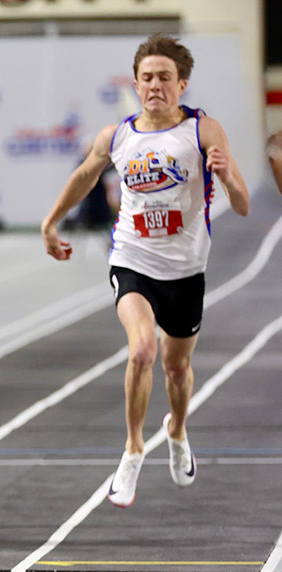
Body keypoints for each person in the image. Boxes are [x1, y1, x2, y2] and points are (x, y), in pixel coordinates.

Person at [41, 34, 249, 509]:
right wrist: (50, 222)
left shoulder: (203, 131)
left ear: (182, 84)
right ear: (136, 84)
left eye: (165, 78)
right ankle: (133, 449)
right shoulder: (117, 136)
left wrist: (226, 176)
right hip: (132, 260)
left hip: (186, 269)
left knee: (177, 368)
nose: (156, 85)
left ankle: (176, 430)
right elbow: (85, 175)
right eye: (148, 77)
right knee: (141, 351)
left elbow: (241, 204)